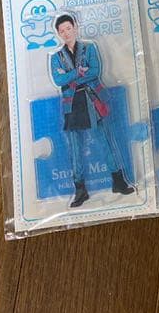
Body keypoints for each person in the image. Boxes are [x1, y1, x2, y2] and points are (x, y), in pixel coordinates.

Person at [49, 14, 134, 208]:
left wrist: (70, 76)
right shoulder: (56, 57)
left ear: (75, 27)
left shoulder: (89, 48)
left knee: (106, 140)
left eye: (68, 28)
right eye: (62, 31)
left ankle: (118, 181)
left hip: (92, 98)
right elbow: (58, 80)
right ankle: (80, 189)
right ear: (58, 34)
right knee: (75, 148)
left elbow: (95, 71)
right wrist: (78, 72)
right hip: (72, 103)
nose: (66, 33)